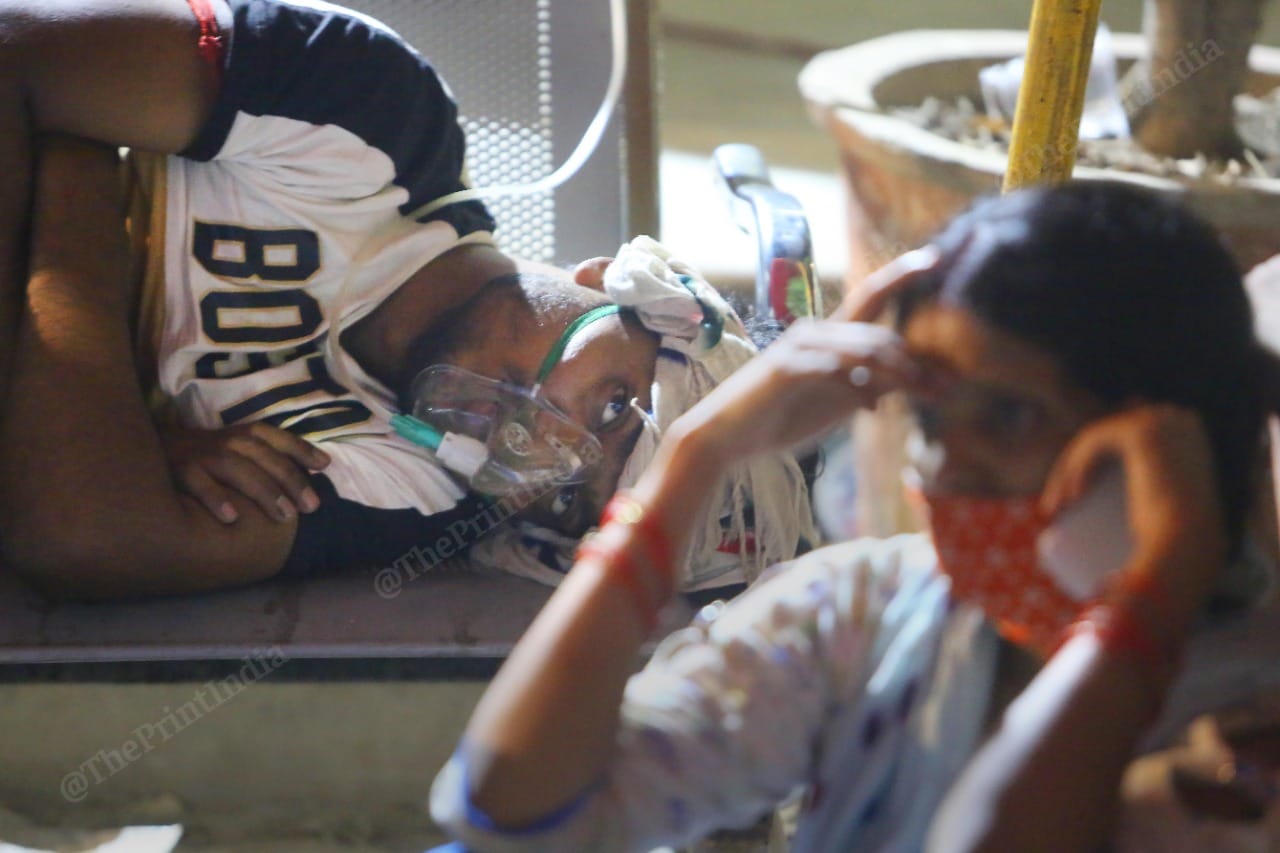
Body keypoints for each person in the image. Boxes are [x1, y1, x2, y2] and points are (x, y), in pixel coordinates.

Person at [429, 180, 1279, 851]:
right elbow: (505, 809)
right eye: (932, 419)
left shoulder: (1246, 717)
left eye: (1010, 417)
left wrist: (1148, 599)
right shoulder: (876, 609)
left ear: (1171, 450)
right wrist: (696, 455)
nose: (945, 470)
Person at [0, 0, 813, 600]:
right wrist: (94, 428)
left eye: (569, 492)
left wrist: (72, 153)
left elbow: (80, 537)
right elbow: (17, 52)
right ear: (605, 281)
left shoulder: (418, 491)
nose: (541, 442)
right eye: (610, 408)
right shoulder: (375, 115)